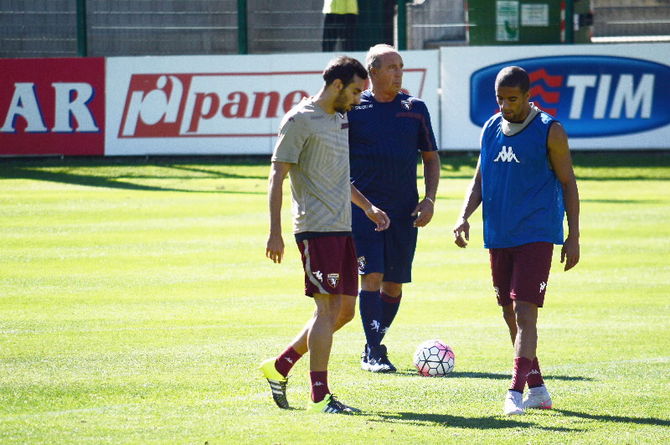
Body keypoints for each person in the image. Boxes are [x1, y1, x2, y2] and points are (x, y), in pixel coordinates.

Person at [261, 56, 390, 414]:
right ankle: (320, 396)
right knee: (325, 308)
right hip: (315, 228)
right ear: (336, 85)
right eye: (355, 91)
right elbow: (277, 176)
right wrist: (275, 232)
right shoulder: (299, 120)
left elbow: (337, 175)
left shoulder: (338, 119)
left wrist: (366, 207)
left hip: (342, 227)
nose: (358, 99)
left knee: (345, 311)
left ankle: (281, 365)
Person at [452, 66, 580, 415]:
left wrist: (574, 235)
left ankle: (514, 392)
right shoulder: (491, 128)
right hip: (499, 235)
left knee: (525, 314)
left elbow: (568, 182)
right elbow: (480, 178)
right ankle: (537, 387)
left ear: (527, 95)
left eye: (513, 99)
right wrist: (463, 216)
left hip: (536, 234)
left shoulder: (550, 131)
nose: (506, 105)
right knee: (508, 312)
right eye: (501, 99)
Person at [348, 44, 440, 373]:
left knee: (394, 284)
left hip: (404, 212)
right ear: (372, 73)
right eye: (391, 68)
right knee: (371, 276)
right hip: (364, 211)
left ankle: (371, 344)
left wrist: (429, 199)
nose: (398, 73)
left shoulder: (415, 108)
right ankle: (375, 351)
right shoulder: (354, 108)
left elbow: (431, 157)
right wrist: (364, 204)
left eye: (401, 66)